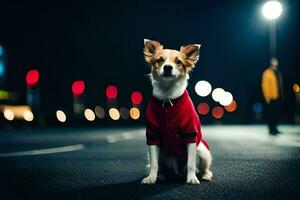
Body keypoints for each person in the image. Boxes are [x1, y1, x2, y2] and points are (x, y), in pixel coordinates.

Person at [261, 57, 284, 135]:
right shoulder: (267, 73)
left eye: (276, 63)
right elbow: (265, 86)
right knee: (271, 114)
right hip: (271, 97)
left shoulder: (277, 73)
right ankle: (271, 130)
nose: (275, 65)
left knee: (277, 114)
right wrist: (267, 97)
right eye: (273, 63)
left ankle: (275, 128)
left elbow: (279, 85)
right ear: (270, 64)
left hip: (278, 97)